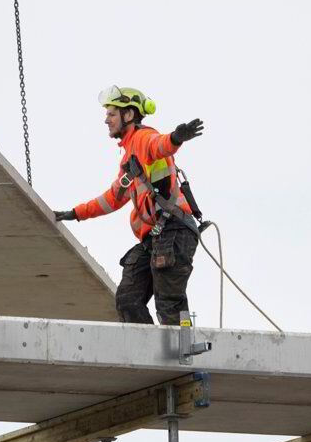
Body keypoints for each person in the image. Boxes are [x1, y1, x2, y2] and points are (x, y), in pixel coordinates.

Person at [56, 85, 207, 325]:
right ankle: (149, 353)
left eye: (111, 114)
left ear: (129, 115)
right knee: (128, 299)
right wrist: (76, 213)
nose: (106, 120)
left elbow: (159, 145)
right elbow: (114, 197)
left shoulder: (142, 138)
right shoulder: (129, 157)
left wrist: (176, 138)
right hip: (155, 237)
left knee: (169, 302)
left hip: (174, 231)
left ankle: (182, 354)